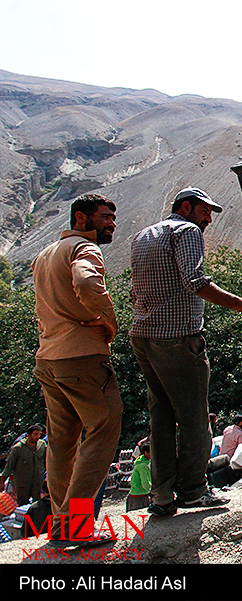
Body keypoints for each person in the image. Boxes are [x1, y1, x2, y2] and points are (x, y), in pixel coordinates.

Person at [129, 187, 242, 517]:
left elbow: (136, 287)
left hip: (143, 335)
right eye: (205, 211)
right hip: (177, 337)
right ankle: (192, 490)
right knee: (194, 418)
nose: (208, 219)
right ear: (187, 207)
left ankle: (162, 494)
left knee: (160, 417)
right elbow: (195, 280)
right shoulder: (186, 230)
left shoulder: (142, 236)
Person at [31, 192, 123, 544]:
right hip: (82, 358)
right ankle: (77, 525)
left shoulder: (44, 254)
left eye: (113, 218)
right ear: (81, 219)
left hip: (48, 358)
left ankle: (60, 525)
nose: (111, 224)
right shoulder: (84, 249)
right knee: (104, 429)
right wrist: (107, 321)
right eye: (104, 218)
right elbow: (86, 283)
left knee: (62, 443)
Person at [1, 425, 47, 506]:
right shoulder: (18, 448)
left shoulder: (42, 445)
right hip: (23, 482)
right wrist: (2, 482)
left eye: (39, 434)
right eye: (35, 434)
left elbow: (47, 460)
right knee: (23, 504)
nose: (38, 437)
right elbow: (9, 466)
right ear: (29, 435)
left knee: (38, 504)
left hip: (37, 481)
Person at [126, 443, 151, 512]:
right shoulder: (143, 465)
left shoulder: (142, 462)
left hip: (137, 495)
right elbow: (145, 483)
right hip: (138, 497)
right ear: (146, 452)